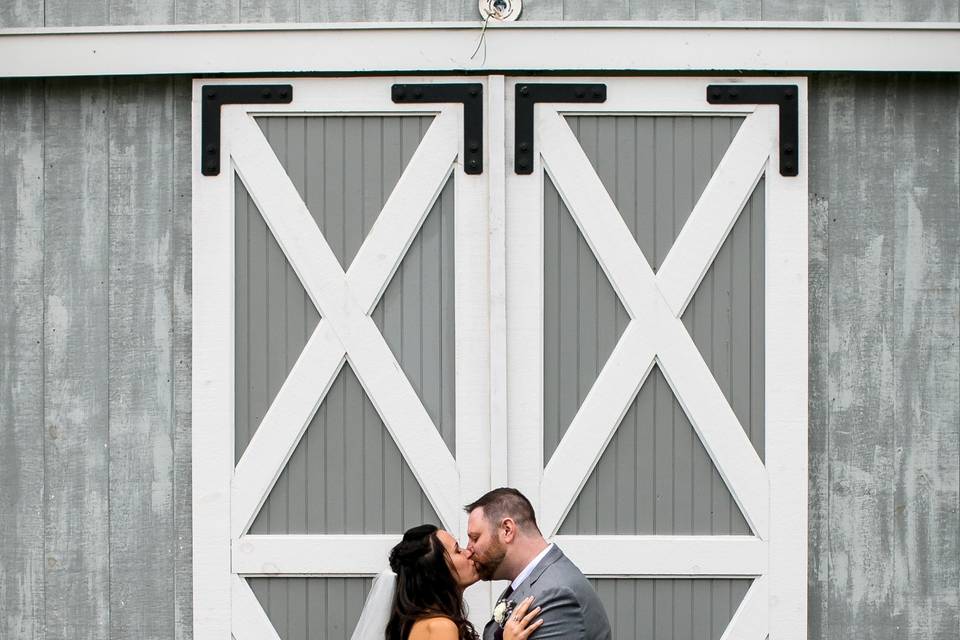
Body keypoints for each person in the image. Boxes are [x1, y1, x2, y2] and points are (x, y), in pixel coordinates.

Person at [464, 488, 612, 640]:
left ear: (507, 530)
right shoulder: (526, 583)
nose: (468, 550)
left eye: (475, 538)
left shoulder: (556, 595)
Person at [352, 523, 543, 640]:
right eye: (457, 551)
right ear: (436, 573)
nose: (469, 552)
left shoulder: (419, 623)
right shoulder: (440, 627)